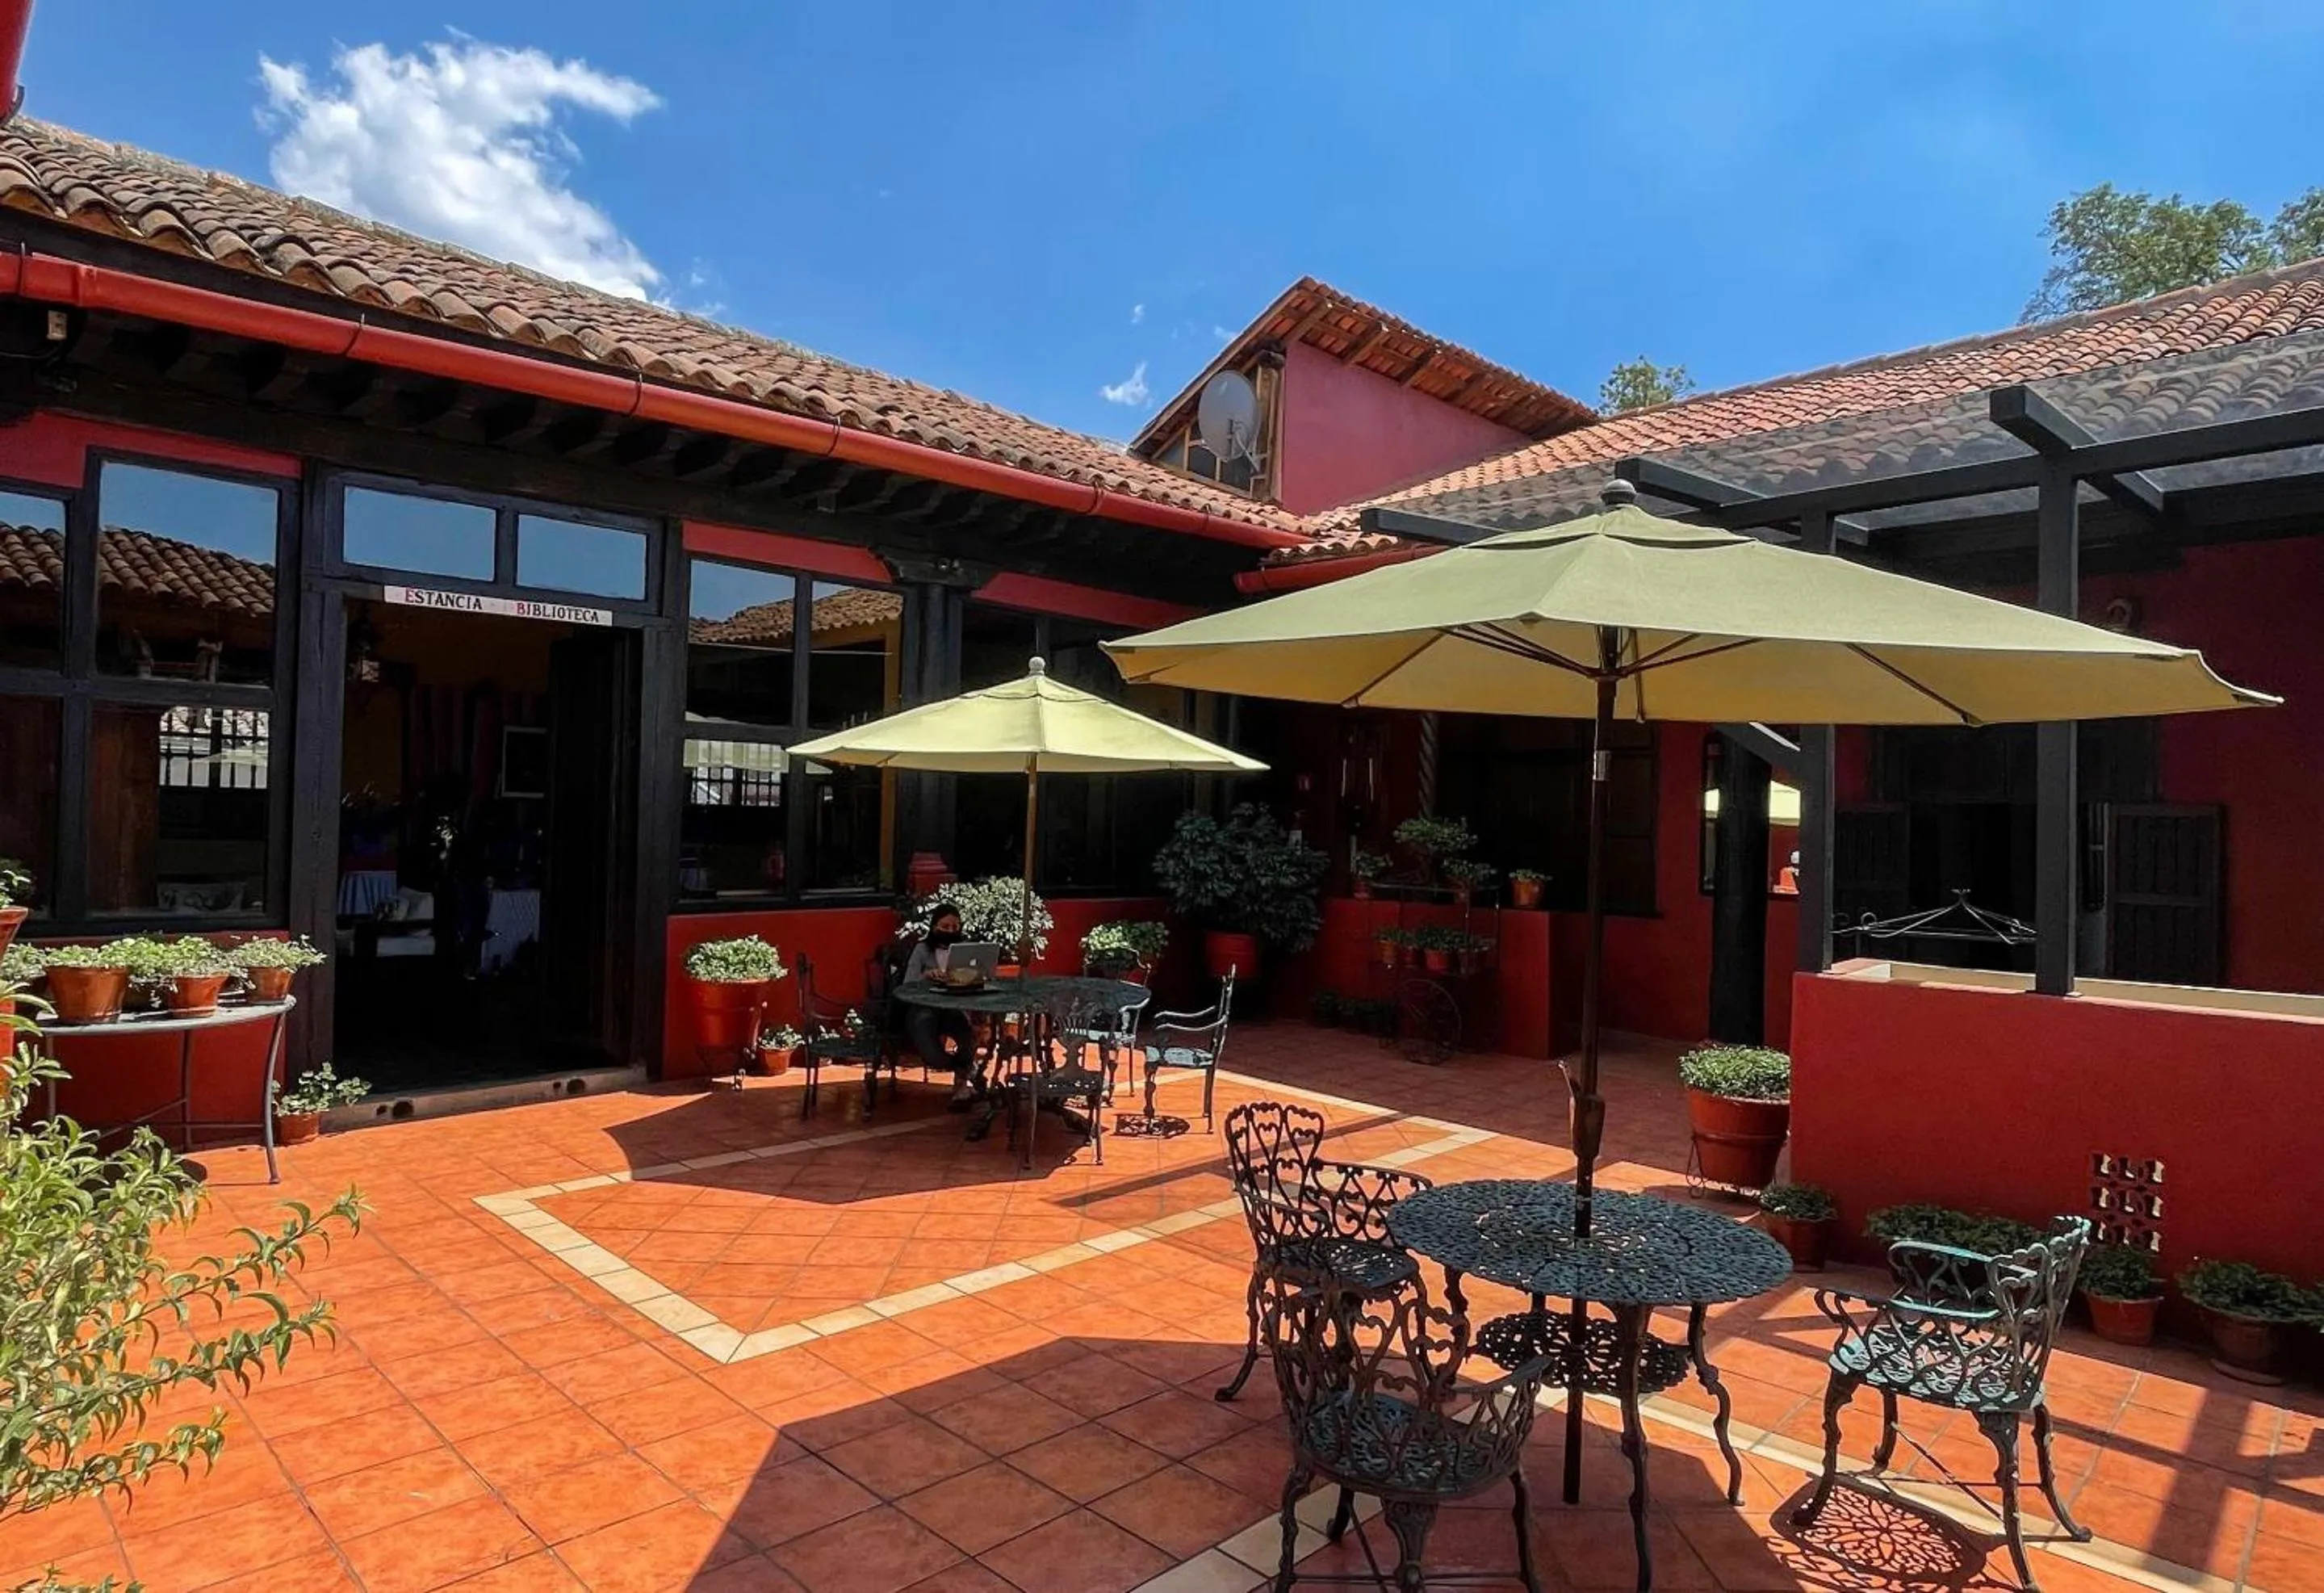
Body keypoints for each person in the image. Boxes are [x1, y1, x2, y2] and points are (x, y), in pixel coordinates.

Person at [903, 906, 981, 1108]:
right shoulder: (922, 949)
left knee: (968, 1037)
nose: (950, 930)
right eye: (945, 926)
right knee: (933, 1056)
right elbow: (908, 983)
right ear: (934, 926)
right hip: (924, 1008)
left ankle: (961, 1086)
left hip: (953, 1007)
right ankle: (964, 1068)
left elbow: (979, 977)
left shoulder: (966, 949)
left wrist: (967, 977)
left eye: (955, 926)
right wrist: (926, 976)